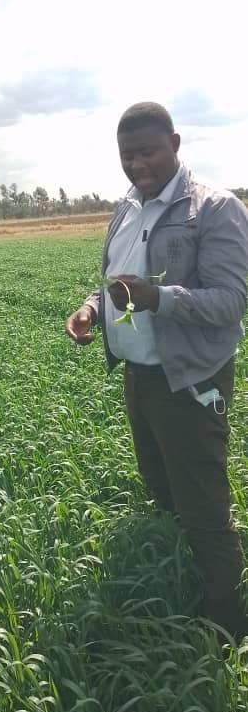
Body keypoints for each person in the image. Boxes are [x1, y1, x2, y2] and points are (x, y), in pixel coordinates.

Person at [66, 102, 248, 641]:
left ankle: (227, 627)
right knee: (163, 490)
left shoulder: (214, 209)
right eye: (127, 155)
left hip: (189, 380)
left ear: (175, 143)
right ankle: (182, 586)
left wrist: (157, 298)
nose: (136, 164)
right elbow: (115, 282)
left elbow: (231, 301)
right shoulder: (127, 207)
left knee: (204, 508)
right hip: (140, 377)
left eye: (146, 151)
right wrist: (93, 308)